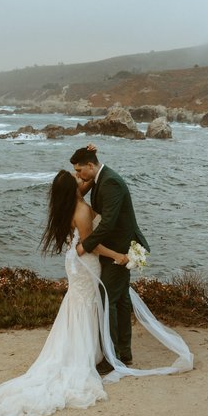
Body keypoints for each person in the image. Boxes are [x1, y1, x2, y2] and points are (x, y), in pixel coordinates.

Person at [0, 154, 193, 416]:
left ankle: (102, 351)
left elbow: (91, 182)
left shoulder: (74, 201)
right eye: (76, 178)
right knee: (90, 303)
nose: (80, 179)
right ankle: (102, 354)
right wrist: (117, 255)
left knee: (87, 304)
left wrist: (95, 160)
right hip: (86, 260)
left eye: (80, 174)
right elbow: (90, 243)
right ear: (72, 188)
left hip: (79, 259)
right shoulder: (80, 210)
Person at [71, 143, 145, 368]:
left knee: (108, 300)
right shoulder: (100, 177)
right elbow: (76, 192)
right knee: (121, 300)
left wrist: (86, 245)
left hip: (119, 249)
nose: (78, 176)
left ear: (91, 166)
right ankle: (124, 353)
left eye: (79, 171)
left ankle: (111, 358)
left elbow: (109, 223)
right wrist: (87, 149)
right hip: (118, 247)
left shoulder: (110, 182)